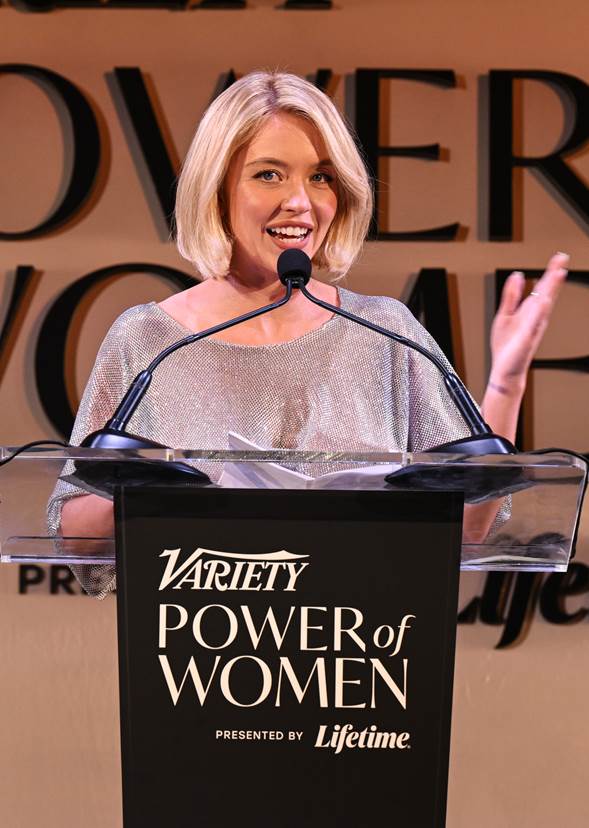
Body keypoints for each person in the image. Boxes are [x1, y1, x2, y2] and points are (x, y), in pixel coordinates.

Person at [50, 70, 569, 598]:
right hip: (199, 637)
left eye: (321, 177)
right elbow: (77, 543)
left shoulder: (386, 334)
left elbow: (468, 531)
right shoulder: (149, 340)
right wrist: (154, 493)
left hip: (364, 639)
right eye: (269, 175)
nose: (300, 201)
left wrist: (506, 384)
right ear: (217, 190)